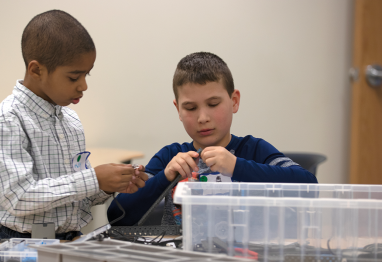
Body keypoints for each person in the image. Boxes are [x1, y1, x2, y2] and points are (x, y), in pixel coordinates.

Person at [0, 10, 147, 262]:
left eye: (87, 74)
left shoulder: (70, 120)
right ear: (36, 69)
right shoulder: (8, 120)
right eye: (74, 76)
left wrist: (109, 184)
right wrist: (92, 180)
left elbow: (71, 193)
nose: (83, 86)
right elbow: (18, 197)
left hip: (70, 249)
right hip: (23, 253)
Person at [107, 52, 317, 226]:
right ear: (178, 110)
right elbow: (117, 215)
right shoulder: (170, 157)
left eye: (213, 104)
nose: (203, 118)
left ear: (234, 101)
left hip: (245, 259)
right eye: (190, 108)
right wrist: (164, 178)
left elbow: (309, 186)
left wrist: (237, 167)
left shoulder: (253, 149)